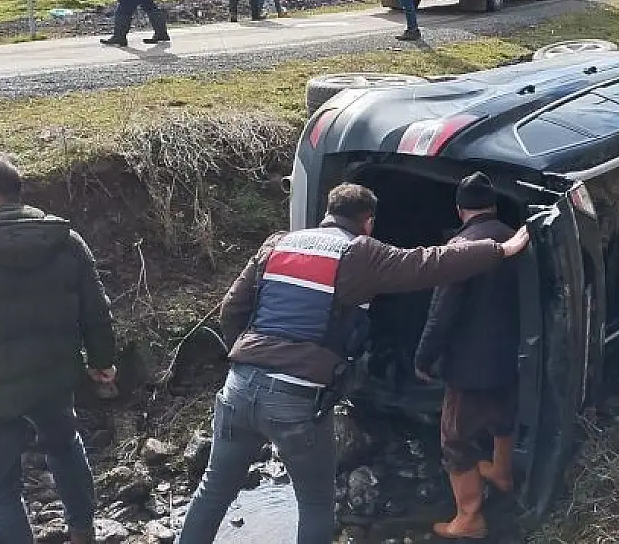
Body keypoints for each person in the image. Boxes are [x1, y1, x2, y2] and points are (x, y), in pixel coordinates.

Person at [175, 183, 530, 544]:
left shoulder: (278, 243)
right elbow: (429, 263)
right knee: (316, 505)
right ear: (368, 221)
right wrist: (499, 249)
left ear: (327, 212)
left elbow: (232, 309)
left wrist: (249, 357)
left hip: (238, 387)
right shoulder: (359, 253)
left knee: (213, 490)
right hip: (296, 400)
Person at [0, 154, 118, 544]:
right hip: (52, 378)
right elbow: (96, 308)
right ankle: (82, 533)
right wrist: (102, 361)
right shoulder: (64, 239)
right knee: (65, 446)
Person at [414, 173, 521, 540]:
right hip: (512, 352)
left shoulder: (459, 248)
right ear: (493, 205)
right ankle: (502, 473)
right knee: (502, 418)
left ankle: (470, 518)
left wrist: (424, 356)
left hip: (469, 363)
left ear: (460, 210)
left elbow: (441, 311)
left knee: (455, 439)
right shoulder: (515, 236)